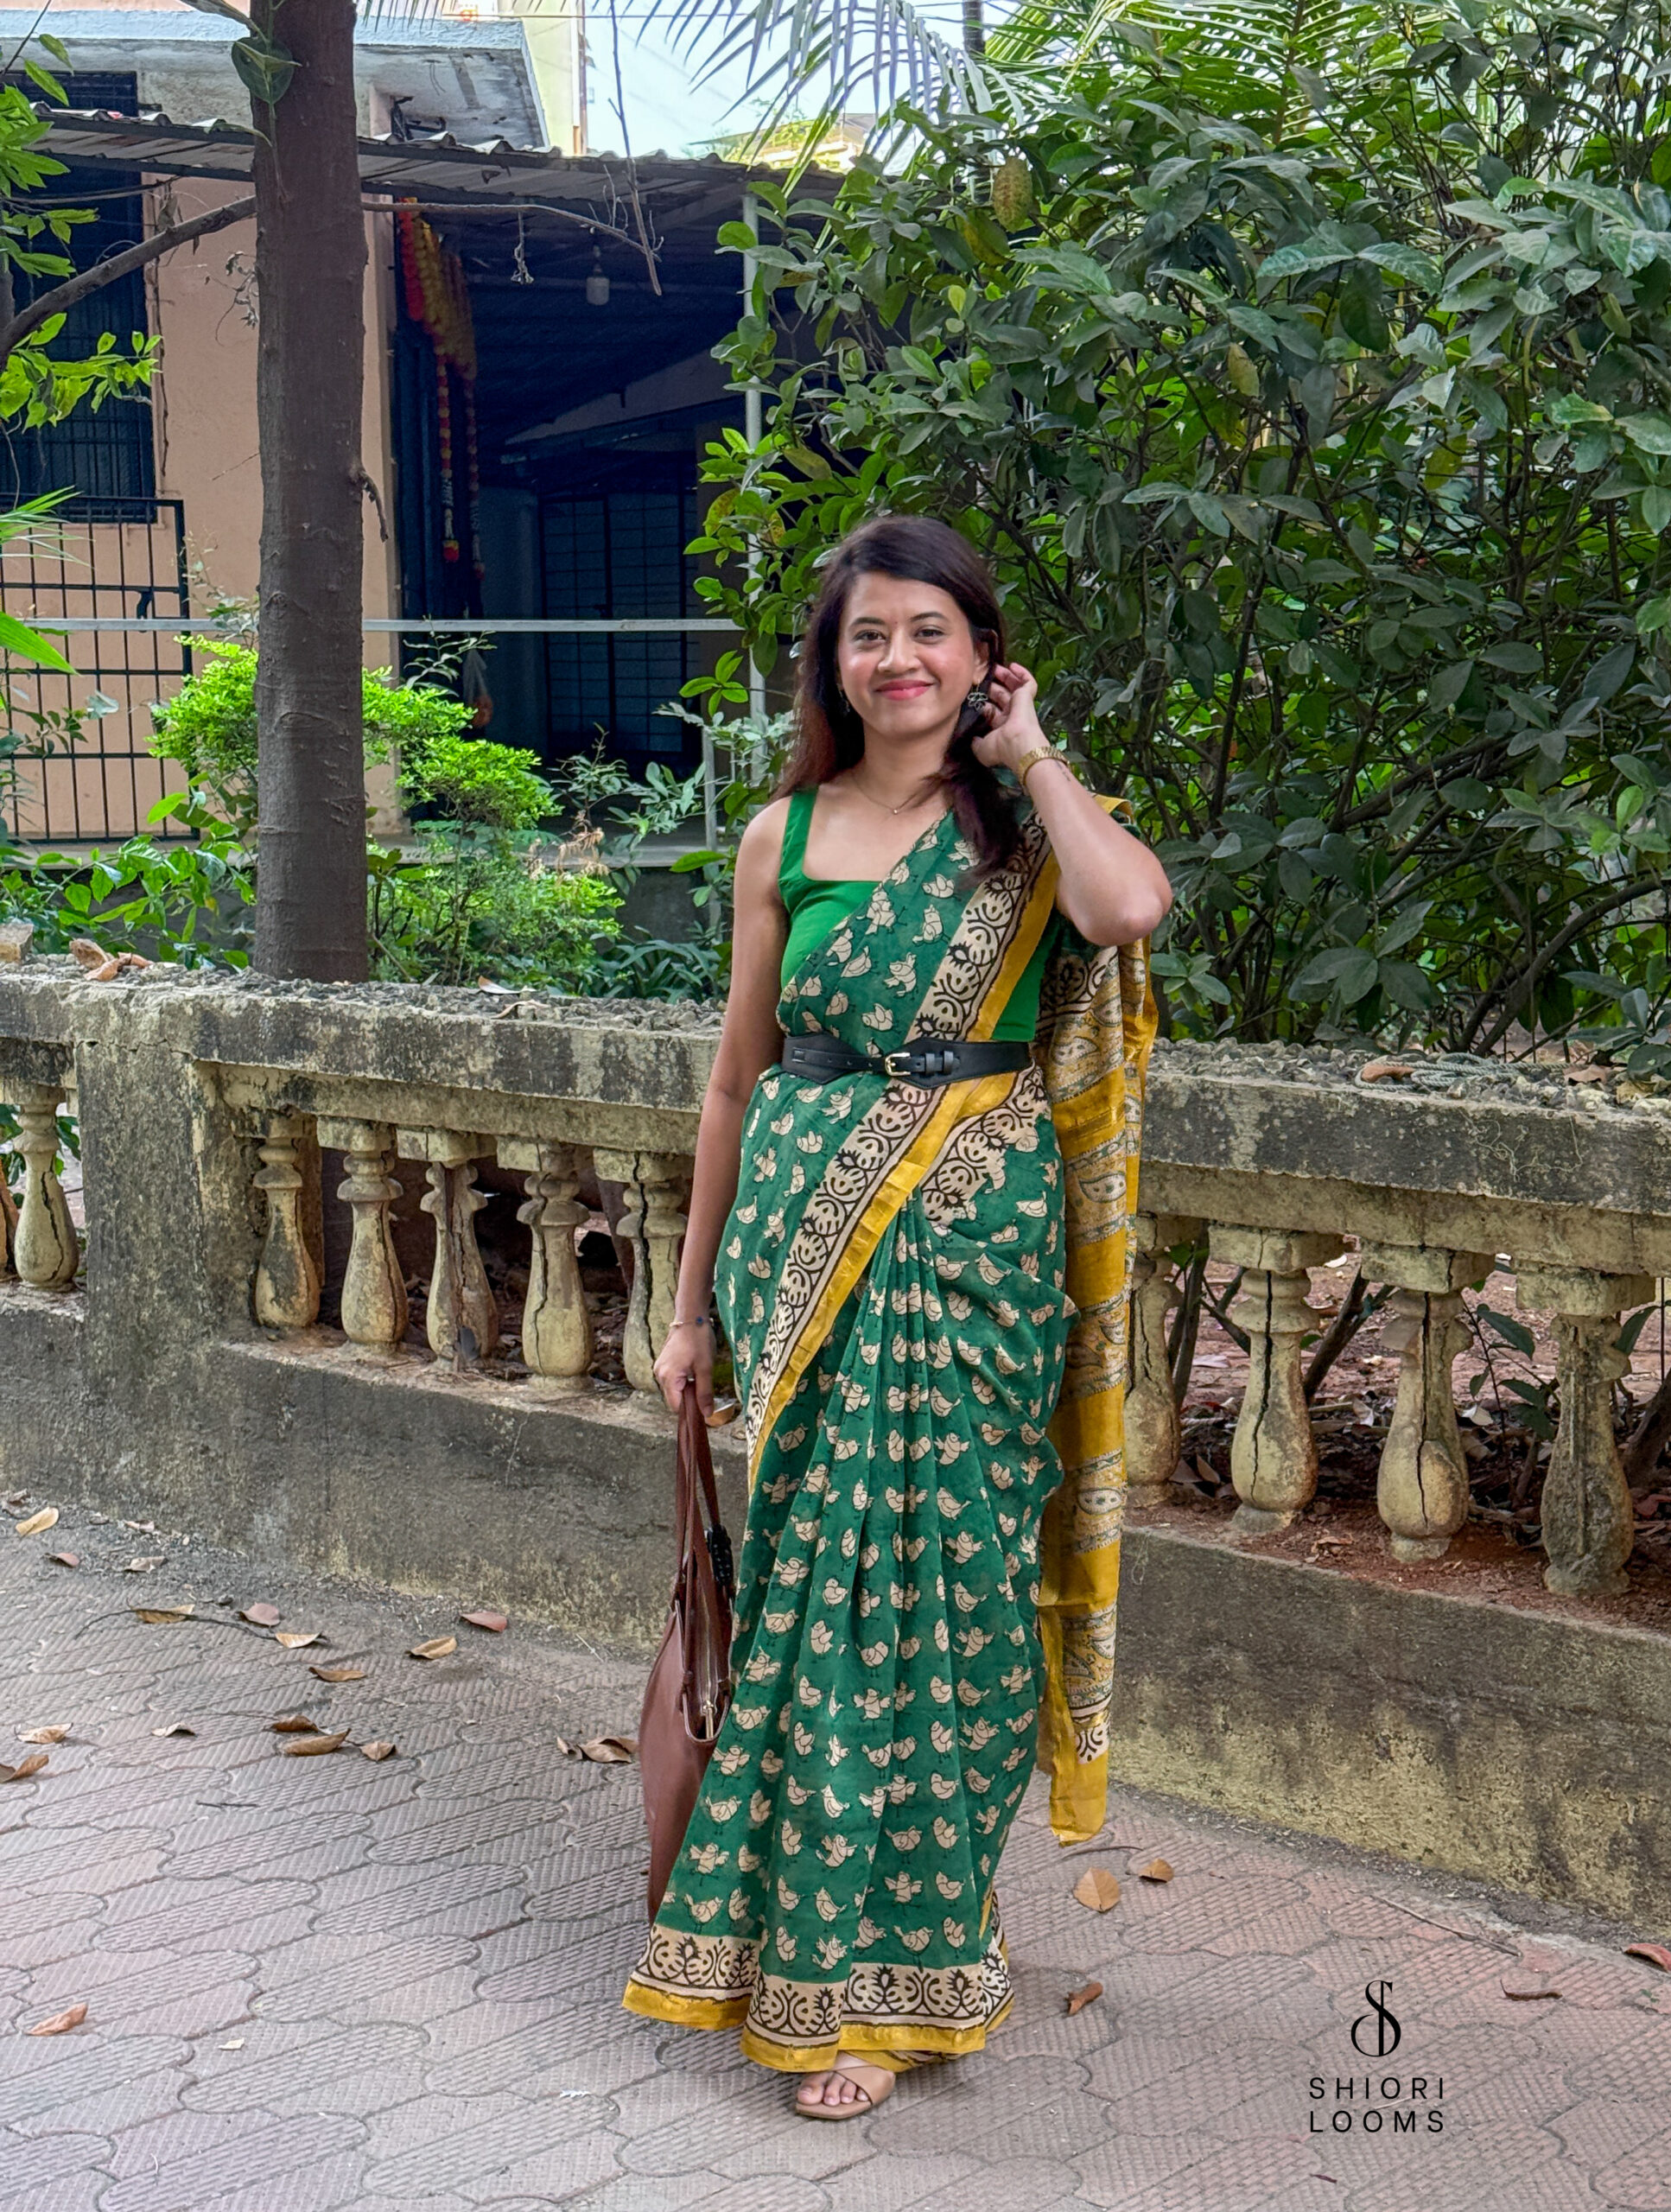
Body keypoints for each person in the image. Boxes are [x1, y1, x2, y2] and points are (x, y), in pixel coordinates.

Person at [621, 514, 1172, 2118]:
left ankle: (921, 1957)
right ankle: (805, 1971)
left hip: (977, 1252)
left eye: (930, 630)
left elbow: (1127, 912)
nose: (899, 660)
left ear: (976, 653)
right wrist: (687, 1310)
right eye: (870, 635)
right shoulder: (778, 838)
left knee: (958, 1609)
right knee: (812, 1601)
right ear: (832, 661)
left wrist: (1037, 755)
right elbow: (730, 1082)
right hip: (800, 1241)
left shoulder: (1025, 834)